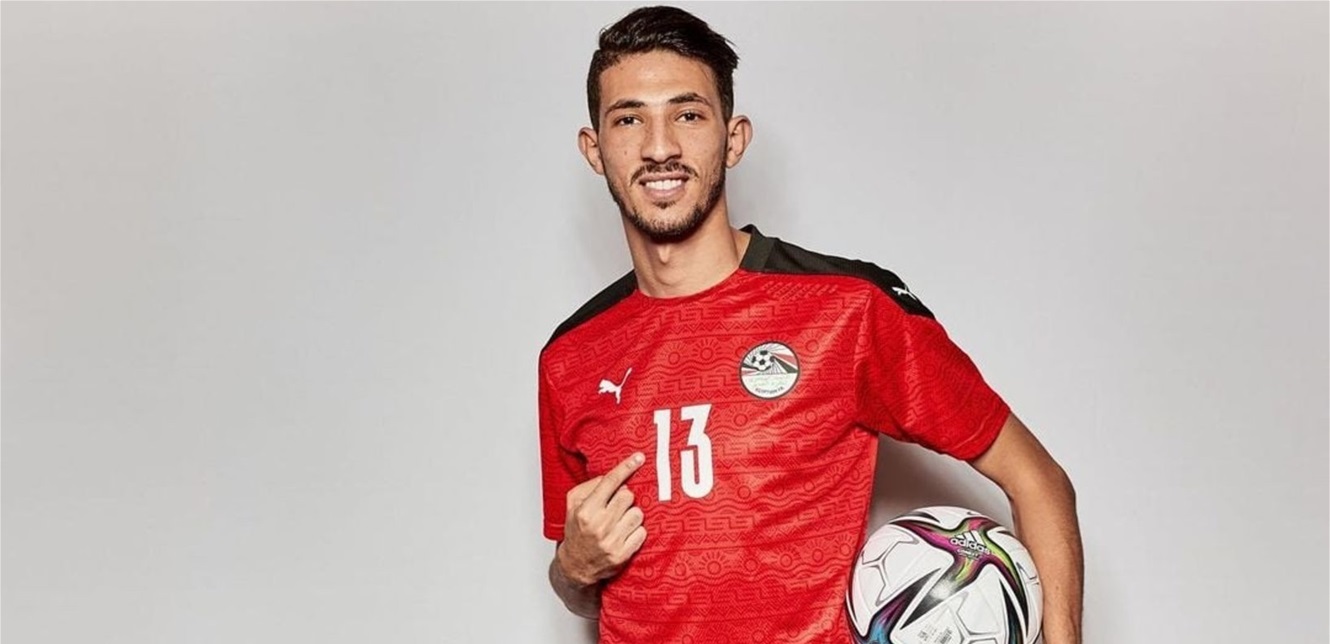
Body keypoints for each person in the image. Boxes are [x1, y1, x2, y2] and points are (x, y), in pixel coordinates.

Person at [538, 6, 1083, 643]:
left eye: (688, 114)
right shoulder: (569, 356)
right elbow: (581, 588)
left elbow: (1038, 480)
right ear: (594, 149)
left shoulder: (847, 307)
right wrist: (572, 567)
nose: (660, 147)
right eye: (629, 119)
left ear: (733, 138)